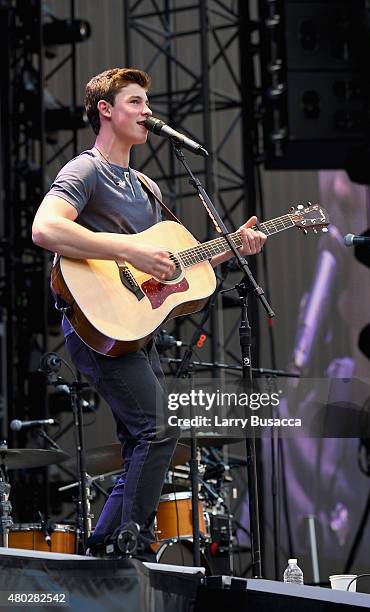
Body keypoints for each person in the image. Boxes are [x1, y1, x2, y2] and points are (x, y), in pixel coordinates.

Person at [32, 67, 267, 559]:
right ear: (106, 110)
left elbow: (166, 267)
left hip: (138, 328)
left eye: (146, 103)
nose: (147, 112)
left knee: (146, 440)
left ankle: (102, 552)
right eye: (136, 102)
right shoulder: (85, 170)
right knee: (159, 431)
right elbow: (45, 230)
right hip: (96, 325)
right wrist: (130, 252)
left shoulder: (145, 186)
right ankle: (128, 543)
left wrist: (232, 248)